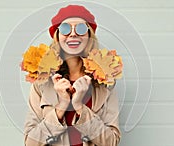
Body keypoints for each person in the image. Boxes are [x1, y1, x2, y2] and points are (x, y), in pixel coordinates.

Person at [24, 5, 121, 146]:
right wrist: (61, 107)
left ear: (89, 36)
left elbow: (111, 142)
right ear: (57, 36)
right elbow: (30, 142)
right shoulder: (42, 81)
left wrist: (79, 107)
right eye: (65, 29)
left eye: (81, 29)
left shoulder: (105, 81)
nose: (73, 34)